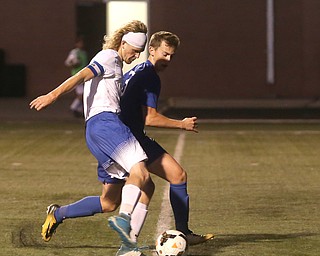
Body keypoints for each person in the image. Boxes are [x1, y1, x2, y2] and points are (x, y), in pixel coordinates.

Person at [29, 20, 153, 250]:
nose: (136, 56)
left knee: (108, 202)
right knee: (141, 173)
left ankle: (58, 213)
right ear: (123, 44)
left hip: (97, 131)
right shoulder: (109, 57)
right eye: (135, 51)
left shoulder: (116, 65)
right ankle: (127, 234)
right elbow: (81, 75)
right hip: (106, 125)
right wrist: (52, 95)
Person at [119, 31, 214, 250]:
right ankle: (182, 232)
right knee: (177, 175)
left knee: (110, 201)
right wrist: (182, 124)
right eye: (165, 54)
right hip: (131, 139)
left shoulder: (136, 70)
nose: (168, 60)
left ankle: (59, 214)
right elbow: (150, 118)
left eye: (172, 55)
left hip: (123, 137)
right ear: (151, 50)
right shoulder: (150, 76)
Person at [64, 36, 88, 117]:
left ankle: (79, 110)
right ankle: (74, 108)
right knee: (81, 94)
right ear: (76, 44)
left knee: (84, 94)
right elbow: (68, 62)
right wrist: (74, 63)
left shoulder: (84, 53)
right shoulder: (74, 52)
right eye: (80, 43)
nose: (81, 44)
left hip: (84, 75)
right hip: (77, 75)